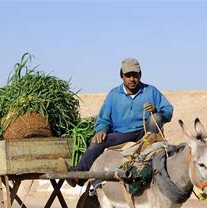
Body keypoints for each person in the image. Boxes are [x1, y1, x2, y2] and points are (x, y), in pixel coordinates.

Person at [68, 58, 174, 186]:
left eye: (135, 75)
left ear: (140, 75)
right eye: (128, 76)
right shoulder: (114, 95)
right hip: (121, 134)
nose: (132, 79)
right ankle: (78, 176)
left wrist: (156, 109)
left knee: (156, 117)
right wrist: (101, 129)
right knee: (97, 143)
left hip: (146, 134)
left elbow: (168, 110)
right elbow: (103, 119)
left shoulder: (151, 91)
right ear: (121, 76)